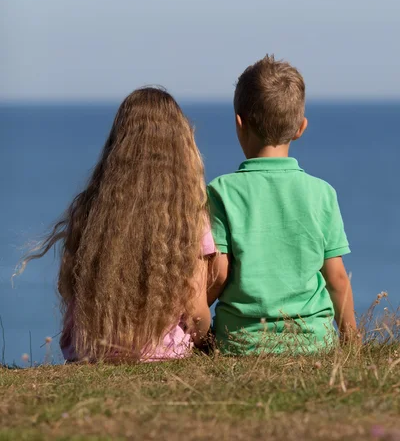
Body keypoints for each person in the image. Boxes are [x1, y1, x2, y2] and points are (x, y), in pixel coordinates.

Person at [21, 87, 214, 362]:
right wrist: (207, 338)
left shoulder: (90, 209)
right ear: (181, 146)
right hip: (162, 353)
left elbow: (70, 290)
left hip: (89, 352)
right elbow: (197, 314)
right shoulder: (189, 218)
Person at [207, 55, 357, 354]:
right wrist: (351, 339)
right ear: (300, 128)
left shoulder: (222, 190)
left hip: (241, 343)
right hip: (314, 342)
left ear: (240, 124)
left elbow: (219, 274)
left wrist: (193, 317)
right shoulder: (322, 193)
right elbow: (337, 278)